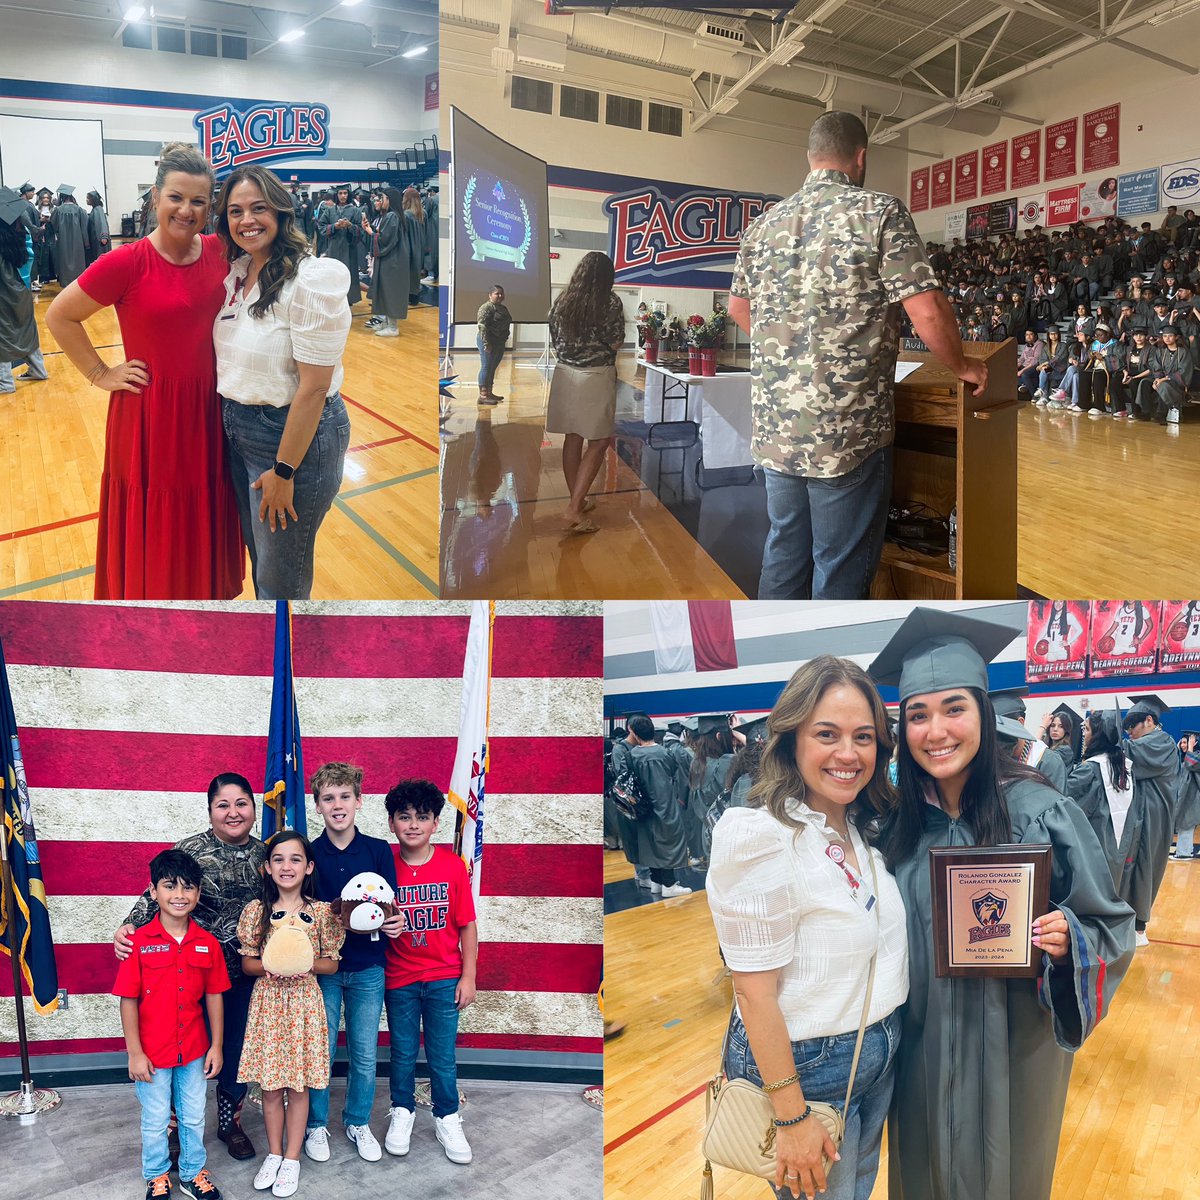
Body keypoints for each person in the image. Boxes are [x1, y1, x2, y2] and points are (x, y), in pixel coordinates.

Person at [870, 607, 1135, 1200]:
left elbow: (1110, 924)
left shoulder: (1040, 812)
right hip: (923, 1049)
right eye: (917, 715)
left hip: (1017, 1046)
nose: (935, 731)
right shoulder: (897, 829)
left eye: (953, 708)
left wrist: (1069, 937)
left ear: (985, 717)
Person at [726, 111, 987, 600]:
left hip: (778, 427)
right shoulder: (880, 211)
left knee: (784, 552)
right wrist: (963, 366)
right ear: (861, 158)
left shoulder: (764, 225)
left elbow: (740, 309)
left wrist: (794, 349)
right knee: (840, 566)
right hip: (847, 432)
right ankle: (833, 671)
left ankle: (780, 670)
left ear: (811, 157)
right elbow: (927, 310)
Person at [707, 656, 909, 1200]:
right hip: (811, 1069)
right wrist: (792, 1118)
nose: (848, 753)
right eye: (827, 734)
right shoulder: (762, 835)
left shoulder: (854, 828)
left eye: (863, 737)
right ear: (791, 738)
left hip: (877, 1053)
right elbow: (752, 990)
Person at [46, 143, 243, 599]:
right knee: (155, 514)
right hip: (151, 414)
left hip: (210, 410)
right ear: (155, 197)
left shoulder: (220, 250)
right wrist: (99, 372)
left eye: (199, 200)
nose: (187, 210)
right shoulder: (127, 261)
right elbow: (59, 315)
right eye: (176, 197)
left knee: (203, 508)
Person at [214, 164, 352, 600]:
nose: (246, 220)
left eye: (258, 208)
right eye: (235, 211)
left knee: (281, 583)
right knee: (262, 564)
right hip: (239, 432)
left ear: (281, 211)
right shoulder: (238, 272)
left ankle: (289, 664)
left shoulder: (311, 279)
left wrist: (285, 469)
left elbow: (313, 387)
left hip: (291, 442)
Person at [114, 774, 266, 1162]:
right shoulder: (192, 850)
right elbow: (154, 897)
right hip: (189, 968)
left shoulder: (268, 855)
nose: (233, 813)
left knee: (231, 1049)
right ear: (210, 810)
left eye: (241, 804)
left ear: (254, 807)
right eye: (223, 805)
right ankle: (174, 1123)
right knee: (178, 1048)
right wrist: (127, 928)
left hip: (246, 973)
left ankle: (230, 1122)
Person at [114, 849, 231, 1200]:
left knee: (195, 1115)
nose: (179, 895)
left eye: (188, 888)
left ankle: (192, 1173)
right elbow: (128, 1000)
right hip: (151, 1051)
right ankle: (157, 1174)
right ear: (153, 892)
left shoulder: (208, 944)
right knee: (155, 1119)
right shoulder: (137, 943)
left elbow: (214, 997)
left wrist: (217, 1046)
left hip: (194, 1049)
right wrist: (134, 1053)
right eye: (170, 887)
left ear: (197, 893)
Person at [303, 763, 402, 1164]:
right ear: (318, 805)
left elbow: (390, 908)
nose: (338, 805)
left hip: (368, 968)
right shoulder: (309, 852)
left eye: (345, 796)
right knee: (321, 1050)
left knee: (363, 1052)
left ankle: (357, 1120)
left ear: (359, 801)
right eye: (329, 798)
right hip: (325, 968)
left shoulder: (377, 850)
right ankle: (315, 1124)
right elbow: (304, 909)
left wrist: (395, 922)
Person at [237, 830, 345, 1198]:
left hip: (303, 1004)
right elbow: (247, 962)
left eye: (295, 859)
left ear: (309, 866)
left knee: (297, 1086)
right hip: (269, 1004)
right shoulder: (257, 912)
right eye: (279, 859)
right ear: (267, 867)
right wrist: (268, 966)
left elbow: (331, 964)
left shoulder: (320, 914)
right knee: (270, 1087)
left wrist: (304, 964)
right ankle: (274, 1153)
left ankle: (293, 1158)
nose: (287, 866)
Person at [382, 779, 479, 1165]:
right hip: (400, 978)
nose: (413, 825)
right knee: (403, 1053)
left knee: (442, 1056)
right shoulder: (382, 866)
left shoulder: (453, 867)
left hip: (443, 977)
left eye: (422, 817)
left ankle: (447, 1115)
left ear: (435, 823)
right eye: (404, 817)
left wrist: (468, 976)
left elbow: (467, 925)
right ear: (391, 823)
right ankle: (402, 1111)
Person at [545, 250, 625, 535]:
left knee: (573, 436)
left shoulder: (563, 300)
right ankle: (574, 508)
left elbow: (553, 335)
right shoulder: (609, 301)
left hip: (565, 373)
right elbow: (615, 342)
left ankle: (576, 501)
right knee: (600, 441)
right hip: (595, 375)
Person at [1119, 695, 1181, 946]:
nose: (1130, 733)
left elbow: (1129, 752)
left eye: (1132, 727)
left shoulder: (1162, 742)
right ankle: (1127, 924)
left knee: (1144, 869)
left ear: (1148, 720)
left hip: (1154, 819)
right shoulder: (1154, 740)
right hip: (1142, 816)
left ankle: (1138, 928)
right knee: (1132, 869)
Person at [625, 714, 692, 897]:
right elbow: (672, 771)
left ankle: (656, 881)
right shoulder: (664, 753)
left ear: (635, 733)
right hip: (664, 802)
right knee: (667, 841)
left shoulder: (633, 754)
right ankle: (669, 885)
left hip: (643, 806)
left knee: (650, 842)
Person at [1066, 712, 1128, 888]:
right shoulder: (1123, 766)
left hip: (1093, 842)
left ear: (1097, 735)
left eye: (1086, 729)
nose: (1084, 733)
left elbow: (1071, 805)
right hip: (1116, 844)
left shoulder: (1090, 770)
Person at [0, 188, 49, 394]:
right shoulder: (22, 236)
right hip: (22, 290)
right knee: (26, 329)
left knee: (3, 332)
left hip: (4, 294)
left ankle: (4, 383)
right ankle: (38, 369)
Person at [684, 713, 735, 868]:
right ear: (720, 736)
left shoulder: (696, 763)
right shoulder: (728, 762)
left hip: (708, 833)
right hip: (731, 836)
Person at [362, 187, 408, 337]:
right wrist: (371, 228)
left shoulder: (391, 217)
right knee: (388, 291)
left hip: (392, 262)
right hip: (394, 260)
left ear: (389, 200)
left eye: (383, 198)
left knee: (391, 292)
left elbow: (384, 239)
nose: (381, 201)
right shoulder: (396, 217)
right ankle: (388, 324)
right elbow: (385, 234)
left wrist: (370, 232)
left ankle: (393, 327)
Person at [315, 184, 361, 309]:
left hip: (349, 249)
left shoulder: (355, 211)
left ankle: (348, 303)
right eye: (340, 193)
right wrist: (335, 226)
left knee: (348, 274)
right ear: (337, 195)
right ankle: (333, 302)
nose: (343, 196)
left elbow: (361, 230)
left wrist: (350, 225)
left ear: (348, 195)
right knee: (333, 275)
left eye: (345, 193)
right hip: (333, 248)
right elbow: (321, 227)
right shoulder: (329, 210)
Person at [476, 283, 511, 405]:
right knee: (486, 366)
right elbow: (482, 326)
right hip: (488, 341)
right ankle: (483, 396)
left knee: (492, 367)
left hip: (499, 342)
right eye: (497, 293)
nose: (500, 296)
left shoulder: (503, 308)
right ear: (490, 295)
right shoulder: (486, 307)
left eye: (502, 293)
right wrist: (487, 343)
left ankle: (490, 393)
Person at [49, 184, 89, 287]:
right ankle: (78, 284)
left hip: (63, 241)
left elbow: (54, 225)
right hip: (78, 241)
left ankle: (65, 284)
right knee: (78, 261)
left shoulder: (57, 210)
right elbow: (84, 228)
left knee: (64, 261)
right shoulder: (79, 210)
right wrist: (86, 243)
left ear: (61, 197)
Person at [401, 187, 426, 305]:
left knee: (408, 272)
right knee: (416, 271)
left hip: (409, 246)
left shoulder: (406, 214)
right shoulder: (422, 213)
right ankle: (415, 295)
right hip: (420, 246)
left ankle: (408, 296)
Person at [85, 189, 111, 265]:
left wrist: (104, 236)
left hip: (99, 240)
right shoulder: (95, 209)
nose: (86, 200)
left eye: (88, 198)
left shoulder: (98, 209)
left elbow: (102, 223)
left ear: (93, 199)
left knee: (100, 258)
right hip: (95, 239)